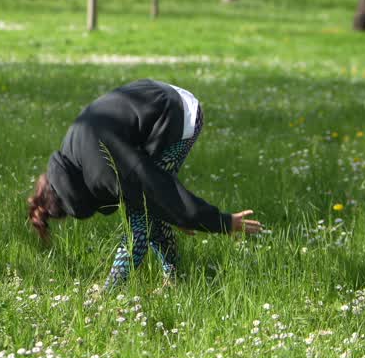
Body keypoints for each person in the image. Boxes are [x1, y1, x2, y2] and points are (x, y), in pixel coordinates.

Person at [27, 79, 262, 290]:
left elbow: (157, 189)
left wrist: (221, 221)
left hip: (180, 114)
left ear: (75, 202)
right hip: (156, 99)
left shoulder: (107, 169)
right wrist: (171, 212)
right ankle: (175, 279)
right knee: (149, 207)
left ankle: (110, 293)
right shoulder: (72, 156)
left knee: (140, 219)